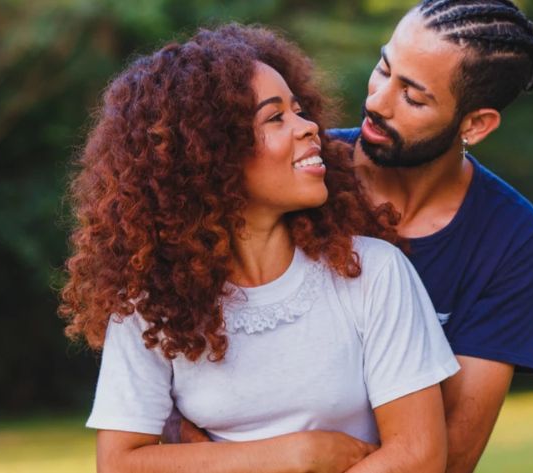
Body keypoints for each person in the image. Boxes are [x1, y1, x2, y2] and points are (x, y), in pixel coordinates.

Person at [59, 24, 460, 473]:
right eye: (275, 118)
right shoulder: (151, 306)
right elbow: (119, 463)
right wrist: (297, 455)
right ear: (212, 155)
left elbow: (419, 455)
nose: (310, 127)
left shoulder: (373, 272)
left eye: (299, 110)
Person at [329, 1, 533, 472]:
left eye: (413, 97)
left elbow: (453, 454)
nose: (377, 102)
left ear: (475, 124)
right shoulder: (299, 173)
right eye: (383, 68)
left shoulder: (514, 237)